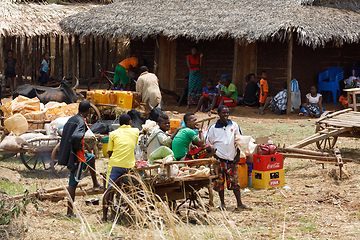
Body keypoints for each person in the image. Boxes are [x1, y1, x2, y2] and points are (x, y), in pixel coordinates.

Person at [58, 101, 101, 217]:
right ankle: (70, 213)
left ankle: (96, 183)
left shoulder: (72, 119)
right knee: (73, 184)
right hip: (77, 158)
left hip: (76, 154)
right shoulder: (81, 121)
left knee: (91, 158)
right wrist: (78, 150)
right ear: (87, 111)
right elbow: (76, 137)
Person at [206, 105, 251, 211]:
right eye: (223, 113)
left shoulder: (234, 125)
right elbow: (208, 144)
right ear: (219, 114)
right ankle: (222, 204)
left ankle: (239, 203)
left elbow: (239, 140)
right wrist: (215, 156)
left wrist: (238, 154)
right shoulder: (213, 128)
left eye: (227, 113)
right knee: (219, 183)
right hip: (219, 159)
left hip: (231, 159)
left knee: (235, 182)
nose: (226, 115)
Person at [102, 114, 139, 222]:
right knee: (133, 188)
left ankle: (104, 217)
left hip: (115, 165)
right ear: (129, 122)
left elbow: (110, 152)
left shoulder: (113, 134)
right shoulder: (135, 131)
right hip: (130, 166)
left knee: (108, 190)